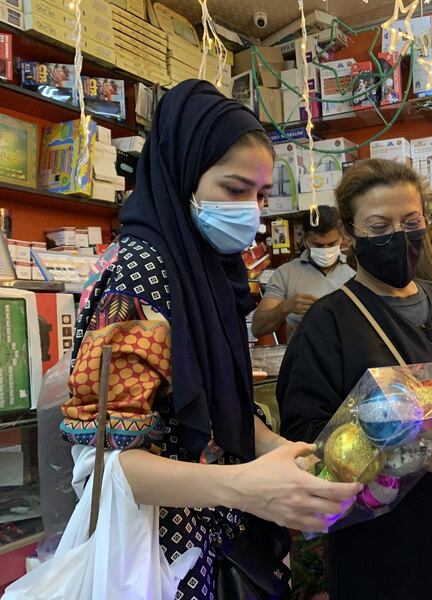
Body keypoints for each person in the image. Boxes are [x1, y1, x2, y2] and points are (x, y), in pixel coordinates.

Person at [59, 80, 360, 600]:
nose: (251, 211)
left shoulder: (205, 270)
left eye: (261, 196)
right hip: (159, 554)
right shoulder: (140, 274)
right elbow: (106, 464)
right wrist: (245, 486)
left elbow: (212, 404)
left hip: (212, 539)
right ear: (182, 175)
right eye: (235, 190)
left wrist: (284, 452)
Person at [277, 159, 432, 600]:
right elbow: (307, 443)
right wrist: (424, 453)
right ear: (349, 234)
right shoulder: (327, 325)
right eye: (379, 226)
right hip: (385, 555)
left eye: (411, 221)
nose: (398, 236)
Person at [252, 205, 355, 340]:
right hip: (305, 358)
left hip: (351, 356)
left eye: (331, 244)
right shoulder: (285, 274)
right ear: (306, 240)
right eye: (318, 245)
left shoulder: (355, 269)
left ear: (341, 236)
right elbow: (257, 328)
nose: (325, 249)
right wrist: (286, 307)